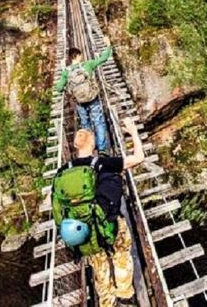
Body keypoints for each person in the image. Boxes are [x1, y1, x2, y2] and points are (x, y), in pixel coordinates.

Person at [55, 119, 146, 307]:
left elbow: (58, 209)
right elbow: (139, 158)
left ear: (76, 146)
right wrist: (133, 132)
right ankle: (125, 296)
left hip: (86, 231)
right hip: (110, 223)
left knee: (99, 265)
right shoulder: (104, 163)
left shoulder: (62, 173)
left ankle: (107, 302)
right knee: (121, 255)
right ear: (93, 144)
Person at [55, 41, 113, 153]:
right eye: (80, 55)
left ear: (70, 58)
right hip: (92, 98)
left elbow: (58, 88)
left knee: (85, 124)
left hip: (80, 102)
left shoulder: (66, 72)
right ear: (77, 56)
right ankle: (102, 149)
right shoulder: (88, 64)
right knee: (98, 122)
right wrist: (108, 45)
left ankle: (89, 146)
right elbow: (103, 58)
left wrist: (66, 89)